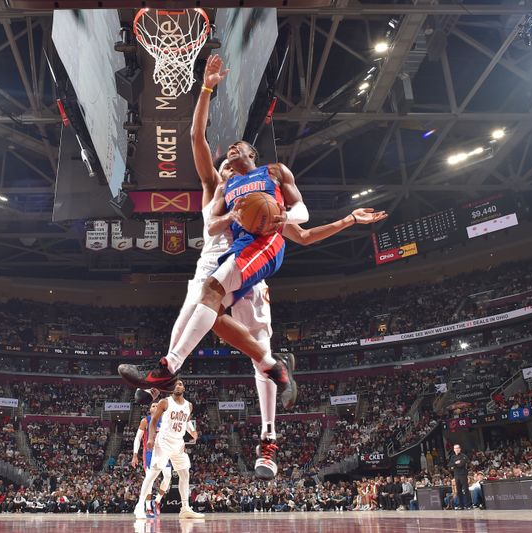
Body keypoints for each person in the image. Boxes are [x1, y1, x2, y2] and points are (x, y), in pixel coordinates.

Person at [124, 54, 387, 479]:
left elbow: (299, 227)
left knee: (235, 329)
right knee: (214, 323)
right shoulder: (219, 188)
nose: (228, 158)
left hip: (249, 265)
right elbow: (196, 141)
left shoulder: (269, 176)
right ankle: (240, 366)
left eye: (235, 153)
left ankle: (267, 437)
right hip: (217, 265)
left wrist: (319, 219)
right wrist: (206, 88)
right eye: (224, 157)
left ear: (251, 154)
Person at [135, 381, 203, 519]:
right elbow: (153, 421)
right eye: (175, 384)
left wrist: (193, 432)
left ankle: (185, 508)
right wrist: (151, 438)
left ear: (184, 388)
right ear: (172, 388)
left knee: (185, 474)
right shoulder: (164, 402)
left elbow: (187, 421)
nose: (178, 385)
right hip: (163, 442)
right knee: (153, 473)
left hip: (178, 443)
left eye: (180, 383)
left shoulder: (189, 405)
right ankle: (140, 505)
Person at [131, 403, 172, 517]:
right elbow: (138, 438)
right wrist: (135, 454)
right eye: (153, 406)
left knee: (168, 476)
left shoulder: (165, 421)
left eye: (157, 406)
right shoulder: (145, 421)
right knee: (149, 479)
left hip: (163, 451)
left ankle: (157, 501)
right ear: (149, 409)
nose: (155, 407)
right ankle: (148, 506)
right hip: (149, 453)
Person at [449, 443, 470, 510]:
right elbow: (449, 465)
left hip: (463, 474)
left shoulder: (463, 456)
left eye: (458, 448)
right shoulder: (452, 457)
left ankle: (468, 505)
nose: (456, 449)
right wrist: (455, 463)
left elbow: (462, 464)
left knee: (466, 490)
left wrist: (454, 465)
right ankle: (461, 505)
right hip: (456, 475)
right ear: (454, 449)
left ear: (460, 449)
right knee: (458, 491)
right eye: (455, 448)